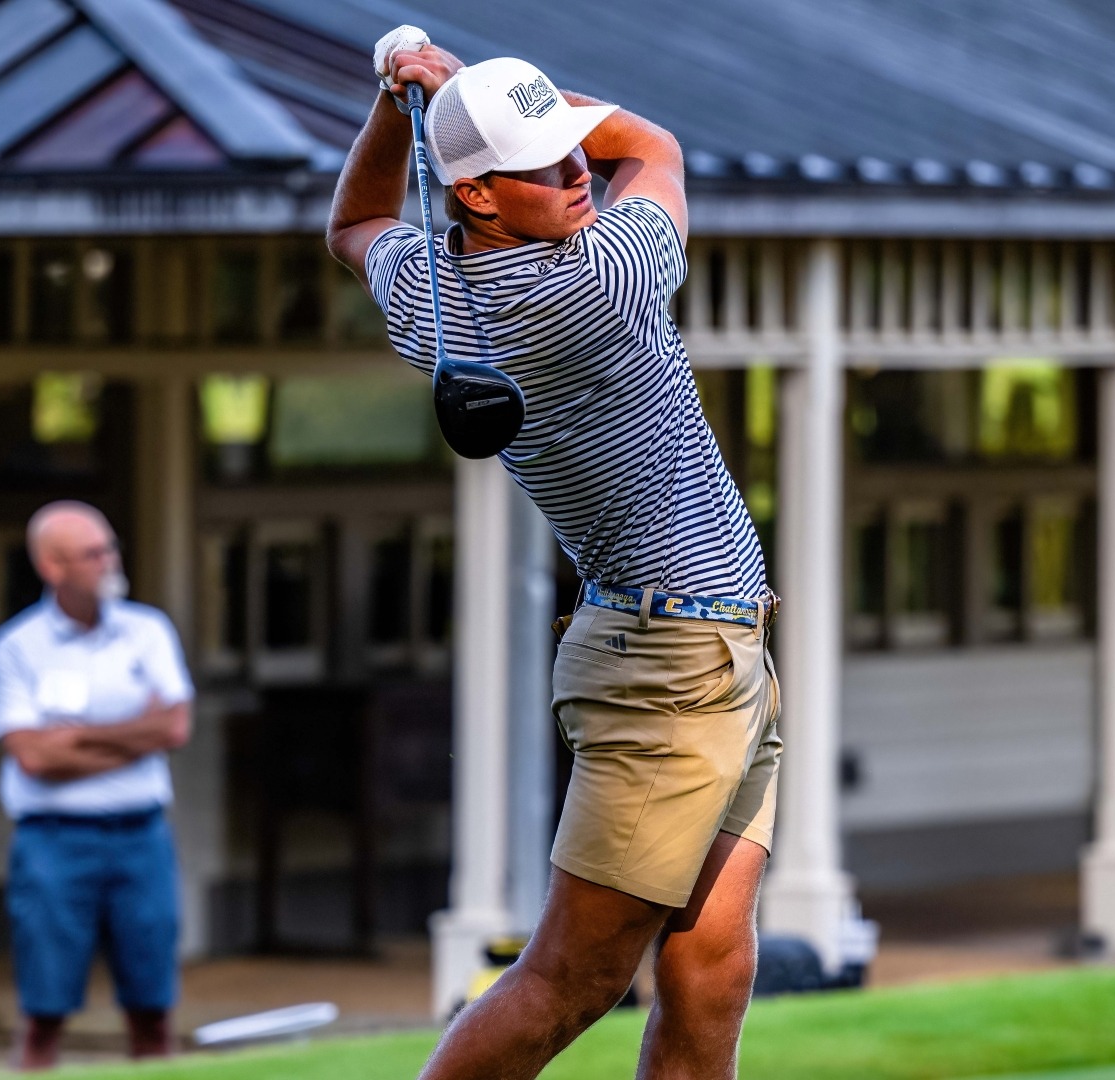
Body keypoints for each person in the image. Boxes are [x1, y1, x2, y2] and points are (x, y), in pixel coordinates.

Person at [327, 30, 782, 1080]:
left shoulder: (427, 301)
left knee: (715, 959)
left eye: (574, 152)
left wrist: (397, 108)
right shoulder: (602, 280)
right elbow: (653, 147)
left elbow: (355, 222)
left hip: (706, 651)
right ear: (481, 195)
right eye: (548, 164)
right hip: (671, 671)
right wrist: (457, 81)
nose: (583, 172)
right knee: (571, 980)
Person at [0, 501, 193, 1069]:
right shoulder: (17, 647)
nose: (109, 561)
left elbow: (174, 726)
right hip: (53, 843)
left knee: (152, 1009)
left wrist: (77, 739)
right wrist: (133, 737)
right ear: (52, 566)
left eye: (110, 547)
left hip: (140, 838)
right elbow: (32, 756)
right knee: (44, 1013)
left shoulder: (147, 631)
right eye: (92, 553)